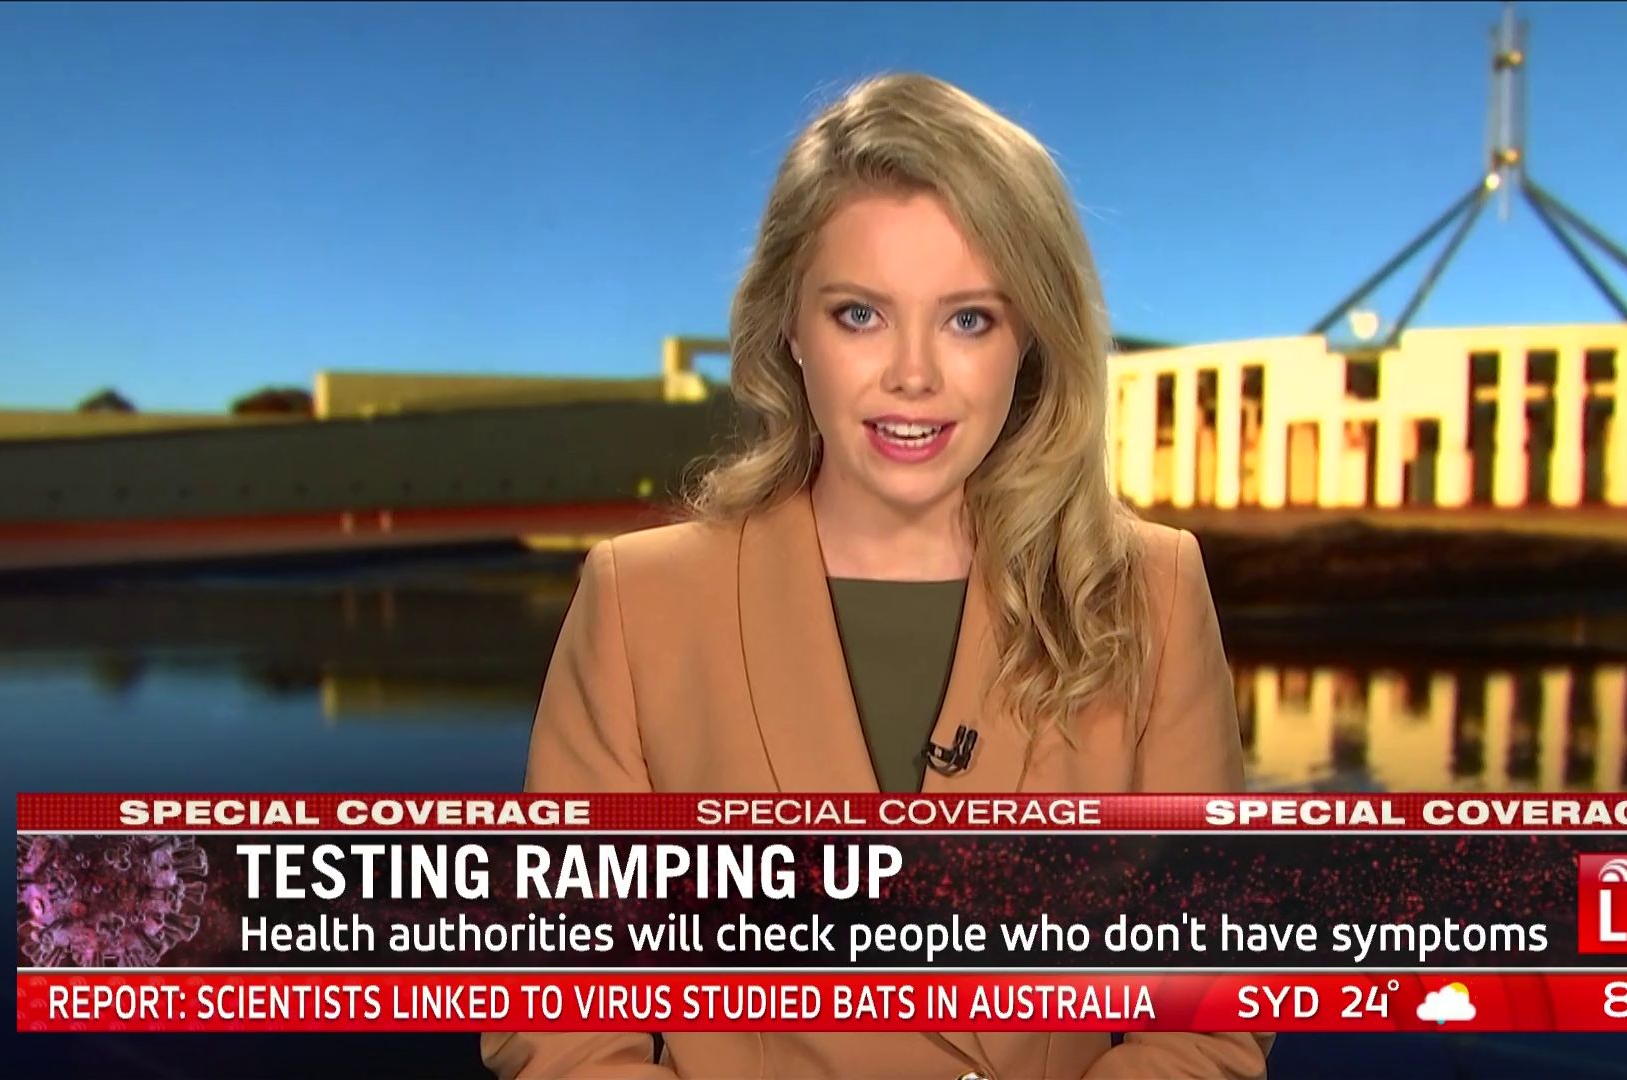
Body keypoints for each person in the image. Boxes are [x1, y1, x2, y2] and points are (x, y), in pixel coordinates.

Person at [484, 72, 1269, 1080]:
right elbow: (561, 1021)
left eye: (969, 320)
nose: (913, 375)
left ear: (1031, 340)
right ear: (789, 328)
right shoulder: (641, 605)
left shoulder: (1152, 588)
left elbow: (1209, 1016)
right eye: (860, 315)